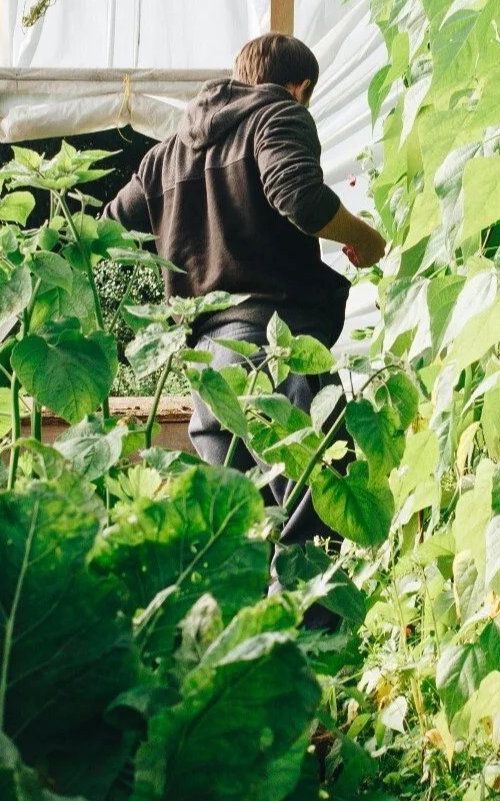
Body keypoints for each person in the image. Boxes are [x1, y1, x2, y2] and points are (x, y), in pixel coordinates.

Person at [105, 35, 385, 544]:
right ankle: (313, 630)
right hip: (274, 355)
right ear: (298, 88)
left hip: (208, 375)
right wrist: (365, 238)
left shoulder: (164, 157)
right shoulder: (277, 115)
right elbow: (297, 195)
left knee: (241, 539)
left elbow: (106, 233)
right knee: (315, 524)